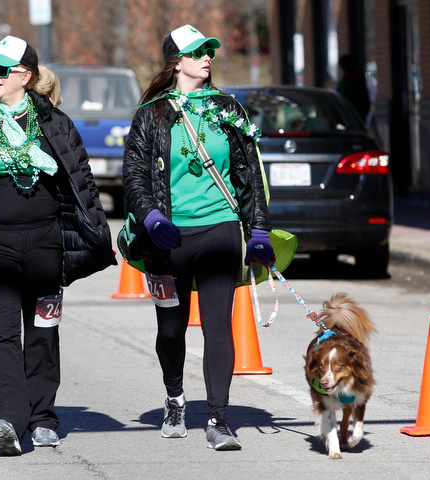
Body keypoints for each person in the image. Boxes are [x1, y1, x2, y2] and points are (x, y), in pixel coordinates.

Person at [0, 35, 116, 455]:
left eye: (2, 69)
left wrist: (99, 237)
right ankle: (6, 422)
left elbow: (82, 184)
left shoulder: (55, 123)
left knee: (42, 332)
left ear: (25, 76)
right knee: (1, 334)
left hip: (47, 245)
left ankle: (43, 416)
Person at [122, 24, 274, 451]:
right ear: (176, 62)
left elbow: (250, 176)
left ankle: (218, 419)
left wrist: (257, 227)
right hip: (165, 238)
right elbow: (133, 175)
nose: (207, 57)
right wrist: (151, 218)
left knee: (218, 327)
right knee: (171, 330)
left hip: (219, 230)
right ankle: (174, 399)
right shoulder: (151, 114)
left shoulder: (229, 110)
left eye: (210, 50)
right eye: (198, 51)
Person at [336, 54, 371, 122]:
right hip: (361, 120)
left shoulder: (343, 84)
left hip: (349, 121)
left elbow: (338, 104)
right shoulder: (360, 81)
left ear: (342, 68)